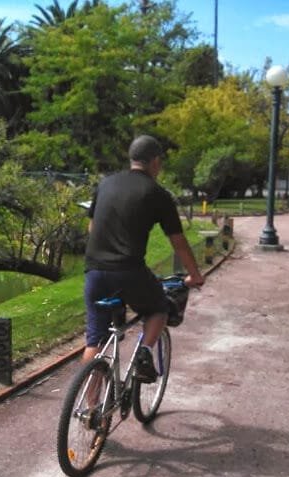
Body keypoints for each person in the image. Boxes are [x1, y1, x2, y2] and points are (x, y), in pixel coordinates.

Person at [83, 134, 205, 382]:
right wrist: (195, 274)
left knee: (95, 340)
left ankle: (90, 408)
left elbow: (92, 228)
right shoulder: (157, 193)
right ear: (156, 162)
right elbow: (178, 242)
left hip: (94, 271)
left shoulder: (106, 184)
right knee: (159, 308)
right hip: (129, 272)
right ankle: (144, 353)